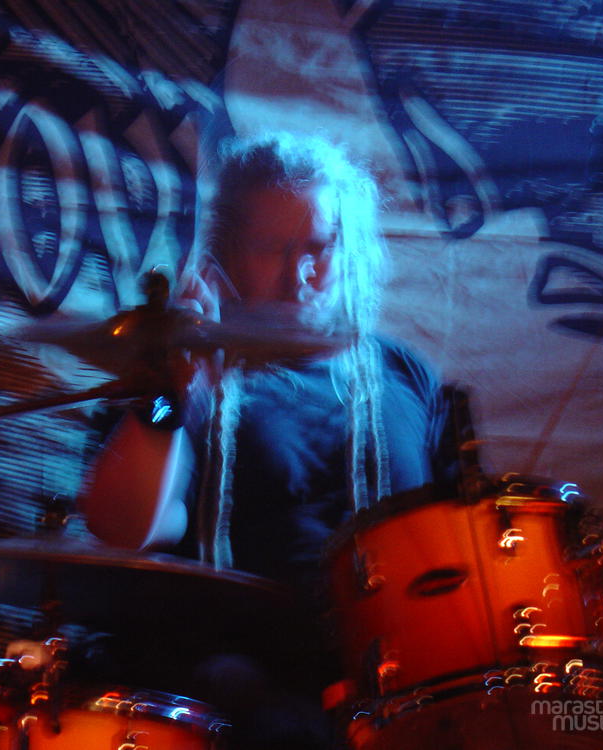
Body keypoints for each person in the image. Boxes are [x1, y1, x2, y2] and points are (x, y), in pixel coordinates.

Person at [81, 132, 452, 748]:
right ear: (224, 253)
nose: (299, 275)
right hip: (233, 690)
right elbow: (124, 528)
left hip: (396, 687)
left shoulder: (404, 374)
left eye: (318, 248)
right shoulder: (176, 376)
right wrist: (172, 391)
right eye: (269, 249)